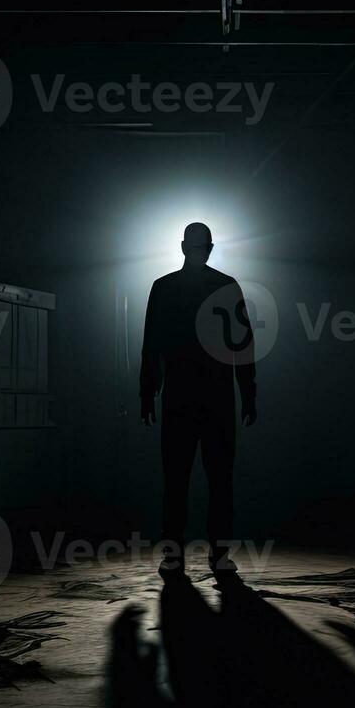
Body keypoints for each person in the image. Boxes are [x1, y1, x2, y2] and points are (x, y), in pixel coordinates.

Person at [139, 222, 258, 581]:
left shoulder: (164, 288)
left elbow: (152, 346)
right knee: (219, 480)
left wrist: (149, 392)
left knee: (176, 480)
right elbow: (243, 345)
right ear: (209, 247)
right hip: (218, 398)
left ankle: (174, 557)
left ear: (183, 246)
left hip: (179, 398)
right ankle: (219, 555)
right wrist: (248, 392)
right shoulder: (225, 286)